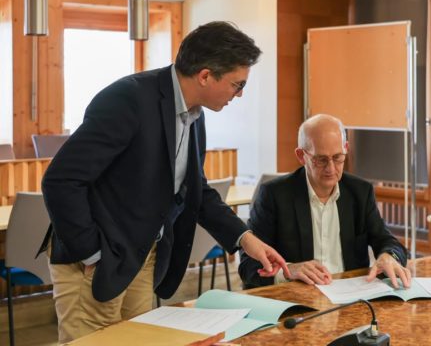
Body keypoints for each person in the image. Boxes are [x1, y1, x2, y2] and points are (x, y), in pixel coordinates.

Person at [41, 21, 290, 343]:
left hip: (142, 256)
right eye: (237, 84)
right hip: (97, 259)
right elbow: (61, 180)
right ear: (205, 76)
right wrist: (91, 253)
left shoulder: (195, 115)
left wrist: (245, 239)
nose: (240, 94)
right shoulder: (128, 98)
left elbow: (196, 192)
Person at [239, 114, 411, 289]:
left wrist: (389, 256)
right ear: (301, 155)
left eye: (337, 157)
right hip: (297, 296)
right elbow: (248, 266)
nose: (331, 168)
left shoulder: (360, 192)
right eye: (321, 160)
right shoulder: (274, 195)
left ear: (346, 148)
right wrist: (288, 271)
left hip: (350, 295)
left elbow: (388, 242)